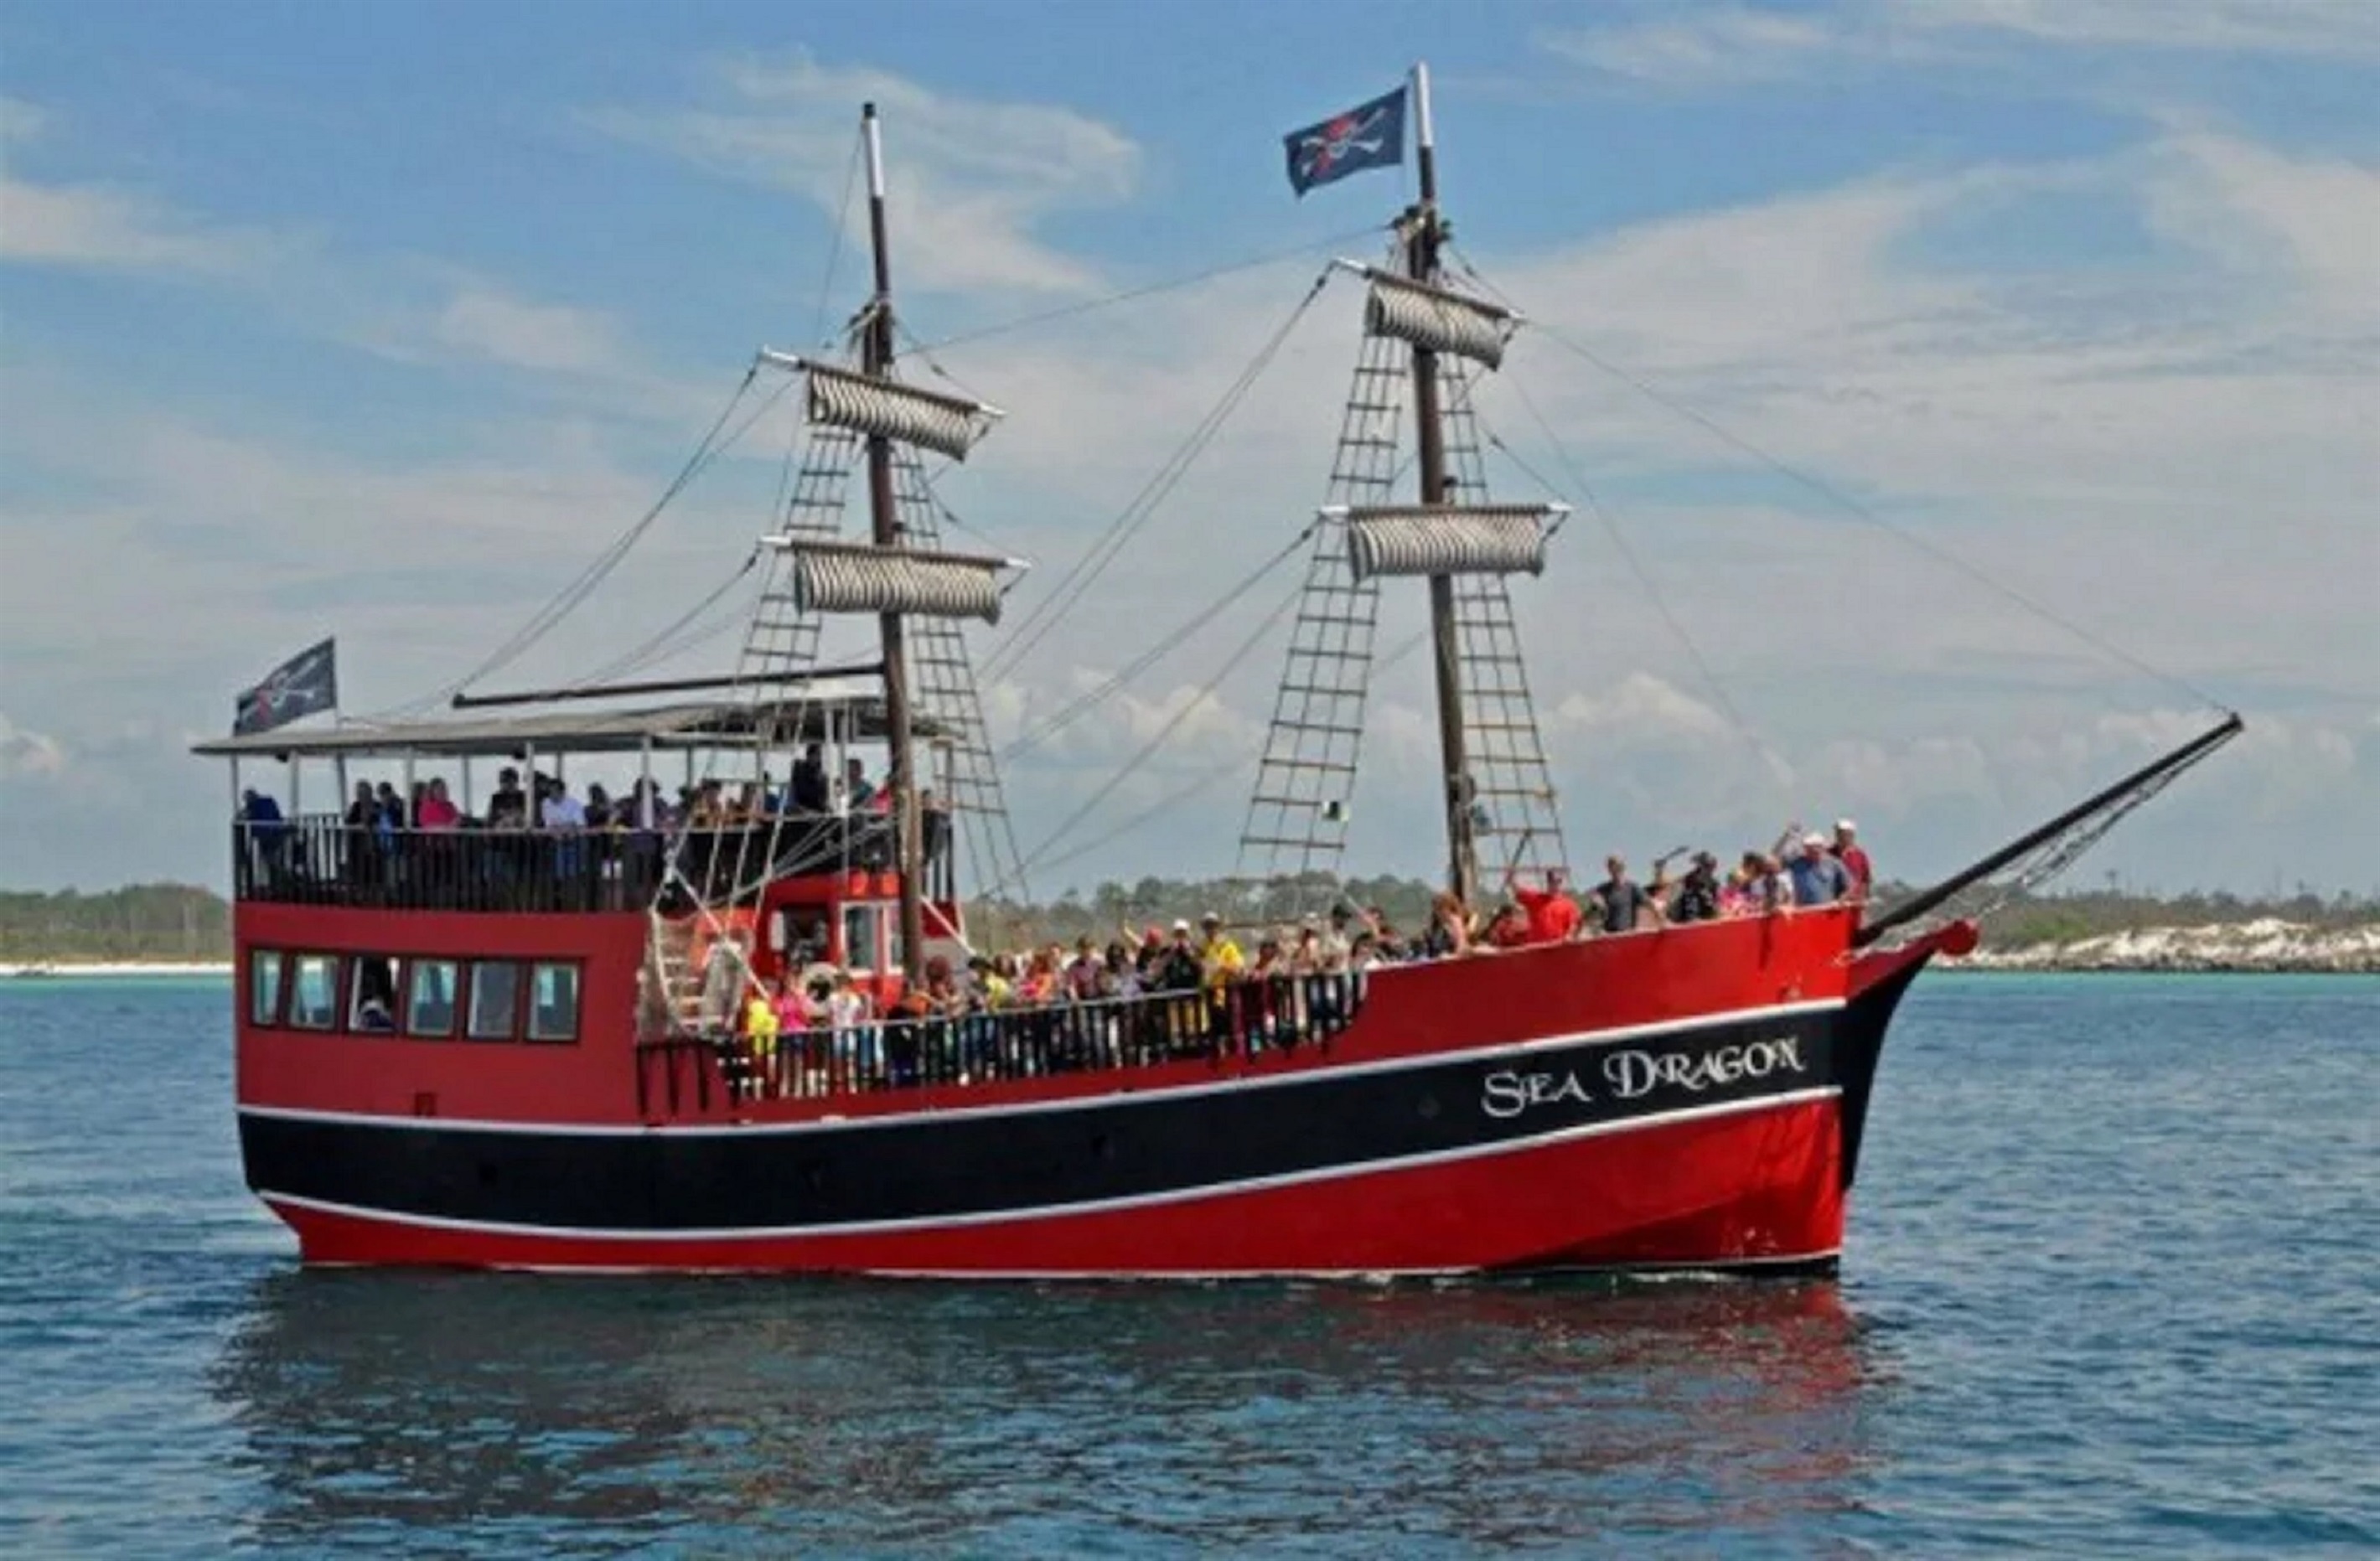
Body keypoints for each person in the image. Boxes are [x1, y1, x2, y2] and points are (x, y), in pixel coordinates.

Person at [1508, 866, 1582, 944]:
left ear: (1561, 883)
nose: (1555, 884)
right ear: (1548, 882)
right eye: (1552, 881)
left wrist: (1569, 936)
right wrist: (1511, 880)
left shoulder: (1569, 905)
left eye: (1558, 881)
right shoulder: (1536, 899)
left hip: (1558, 947)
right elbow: (1518, 891)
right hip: (1537, 948)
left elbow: (1574, 924)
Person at [1588, 855, 1658, 934]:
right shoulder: (1603, 890)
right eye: (1612, 867)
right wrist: (1595, 900)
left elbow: (1650, 905)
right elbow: (1591, 911)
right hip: (1609, 936)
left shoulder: (1633, 888)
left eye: (1618, 867)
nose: (1615, 870)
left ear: (1623, 868)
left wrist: (1662, 923)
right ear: (1609, 870)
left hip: (1627, 935)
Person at [1787, 831, 1853, 906]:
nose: (1815, 849)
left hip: (1827, 909)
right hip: (1803, 909)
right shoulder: (1797, 863)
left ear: (1823, 847)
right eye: (1810, 847)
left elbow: (1849, 885)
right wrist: (1786, 837)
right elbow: (1777, 864)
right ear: (1805, 848)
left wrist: (1840, 900)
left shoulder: (1835, 863)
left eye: (1818, 846)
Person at [1668, 851, 1722, 923]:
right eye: (1707, 866)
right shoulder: (1687, 881)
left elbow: (1716, 904)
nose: (1710, 870)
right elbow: (1687, 908)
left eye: (1712, 867)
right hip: (1687, 922)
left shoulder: (1713, 883)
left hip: (1707, 920)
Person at [1834, 819, 1873, 902]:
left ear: (1852, 835)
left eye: (1845, 834)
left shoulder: (1860, 855)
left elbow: (1866, 879)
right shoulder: (1828, 853)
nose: (1842, 837)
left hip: (1855, 901)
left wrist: (1863, 897)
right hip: (1834, 900)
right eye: (1839, 833)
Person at [790, 743, 830, 813]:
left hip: (817, 810)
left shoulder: (822, 776)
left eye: (818, 755)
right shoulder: (799, 771)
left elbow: (823, 799)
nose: (815, 758)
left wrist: (826, 806)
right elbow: (794, 792)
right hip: (802, 809)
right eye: (813, 755)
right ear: (808, 756)